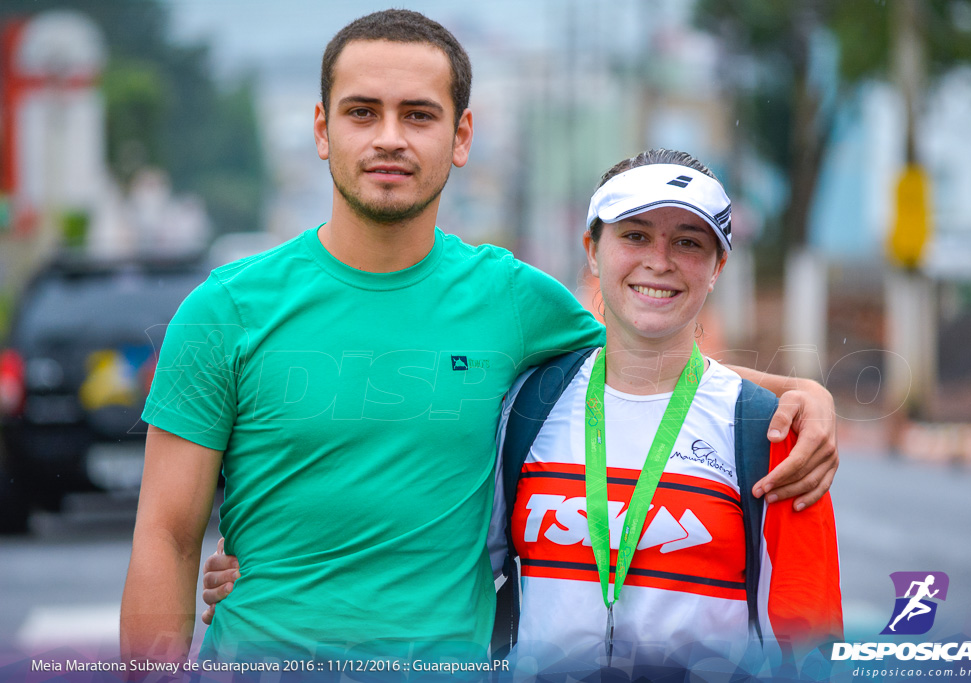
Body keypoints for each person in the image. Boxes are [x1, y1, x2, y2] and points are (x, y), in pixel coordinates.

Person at [122, 9, 838, 667]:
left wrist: (801, 394)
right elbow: (169, 537)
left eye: (420, 114)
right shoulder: (224, 311)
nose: (390, 137)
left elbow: (648, 360)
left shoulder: (513, 298)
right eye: (363, 112)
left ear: (462, 136)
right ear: (321, 129)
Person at [483, 150, 843, 676]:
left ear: (718, 266)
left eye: (688, 242)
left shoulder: (774, 433)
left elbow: (813, 649)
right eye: (634, 235)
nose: (660, 260)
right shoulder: (527, 407)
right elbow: (473, 581)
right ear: (592, 250)